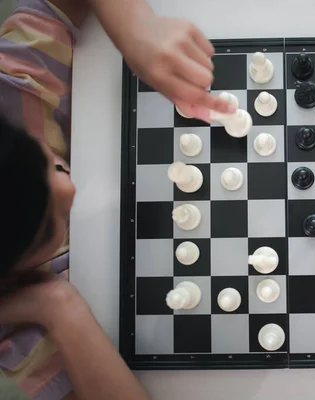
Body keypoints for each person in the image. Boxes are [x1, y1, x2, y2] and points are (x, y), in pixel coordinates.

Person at [0, 0, 230, 398]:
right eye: (48, 227)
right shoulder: (15, 329)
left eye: (46, 163)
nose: (70, 188)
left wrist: (136, 28)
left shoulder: (14, 84)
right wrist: (57, 305)